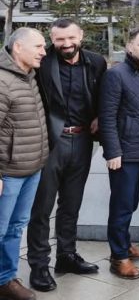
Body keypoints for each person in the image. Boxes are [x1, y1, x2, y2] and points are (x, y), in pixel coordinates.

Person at [27, 19, 105, 292]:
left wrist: (99, 116)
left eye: (71, 38)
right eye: (60, 39)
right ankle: (39, 265)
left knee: (71, 204)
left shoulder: (96, 62)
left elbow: (102, 95)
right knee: (42, 208)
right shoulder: (42, 62)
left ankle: (66, 256)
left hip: (83, 140)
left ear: (81, 35)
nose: (66, 44)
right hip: (50, 142)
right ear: (52, 39)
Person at [99, 27, 139, 279]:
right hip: (123, 153)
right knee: (122, 205)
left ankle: (125, 244)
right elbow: (107, 116)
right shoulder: (116, 75)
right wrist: (113, 151)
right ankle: (118, 257)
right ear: (129, 47)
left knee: (131, 202)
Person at [0, 28, 48, 300]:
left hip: (31, 169)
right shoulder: (3, 81)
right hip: (8, 174)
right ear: (18, 47)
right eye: (38, 46)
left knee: (16, 227)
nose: (44, 52)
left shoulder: (28, 76)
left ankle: (6, 280)